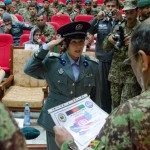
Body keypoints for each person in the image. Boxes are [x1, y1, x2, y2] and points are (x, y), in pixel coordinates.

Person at [53, 17, 150, 150]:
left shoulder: (128, 115)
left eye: (131, 60)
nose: (78, 46)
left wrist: (67, 144)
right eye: (74, 42)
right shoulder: (54, 61)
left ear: (143, 61)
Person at [24, 21, 101, 150]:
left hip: (82, 121)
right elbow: (28, 69)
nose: (78, 46)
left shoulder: (92, 65)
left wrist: (96, 121)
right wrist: (46, 47)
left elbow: (95, 96)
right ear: (65, 44)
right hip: (56, 121)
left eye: (81, 42)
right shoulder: (52, 63)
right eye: (74, 42)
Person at [103, 0, 141, 109]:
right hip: (116, 73)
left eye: (131, 12)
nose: (128, 16)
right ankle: (115, 126)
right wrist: (109, 40)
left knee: (126, 107)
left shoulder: (142, 29)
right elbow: (105, 48)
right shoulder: (118, 27)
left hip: (131, 75)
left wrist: (133, 45)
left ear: (137, 12)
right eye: (126, 12)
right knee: (115, 105)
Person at [88, 0, 122, 113]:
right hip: (103, 60)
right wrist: (96, 18)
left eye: (113, 6)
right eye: (108, 6)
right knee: (103, 92)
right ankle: (105, 118)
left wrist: (120, 19)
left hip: (118, 61)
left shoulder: (122, 20)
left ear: (117, 7)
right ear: (104, 7)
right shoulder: (100, 20)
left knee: (118, 92)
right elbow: (89, 30)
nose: (110, 8)